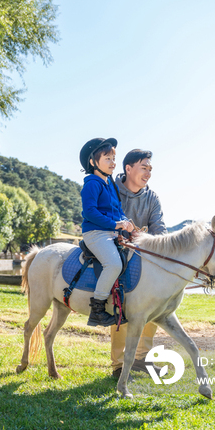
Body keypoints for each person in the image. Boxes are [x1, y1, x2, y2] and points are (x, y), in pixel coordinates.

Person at [111, 149, 167, 379]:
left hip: (143, 255)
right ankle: (118, 364)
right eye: (144, 167)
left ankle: (141, 359)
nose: (148, 173)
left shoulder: (152, 198)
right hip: (115, 253)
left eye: (150, 169)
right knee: (122, 306)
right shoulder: (111, 191)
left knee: (154, 305)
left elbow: (160, 230)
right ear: (128, 168)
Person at [79, 138, 134, 327]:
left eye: (113, 158)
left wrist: (125, 222)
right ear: (93, 163)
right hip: (95, 233)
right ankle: (98, 310)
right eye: (107, 158)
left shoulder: (110, 184)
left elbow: (117, 210)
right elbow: (90, 212)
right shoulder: (92, 184)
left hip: (110, 231)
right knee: (113, 264)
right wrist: (116, 224)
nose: (113, 162)